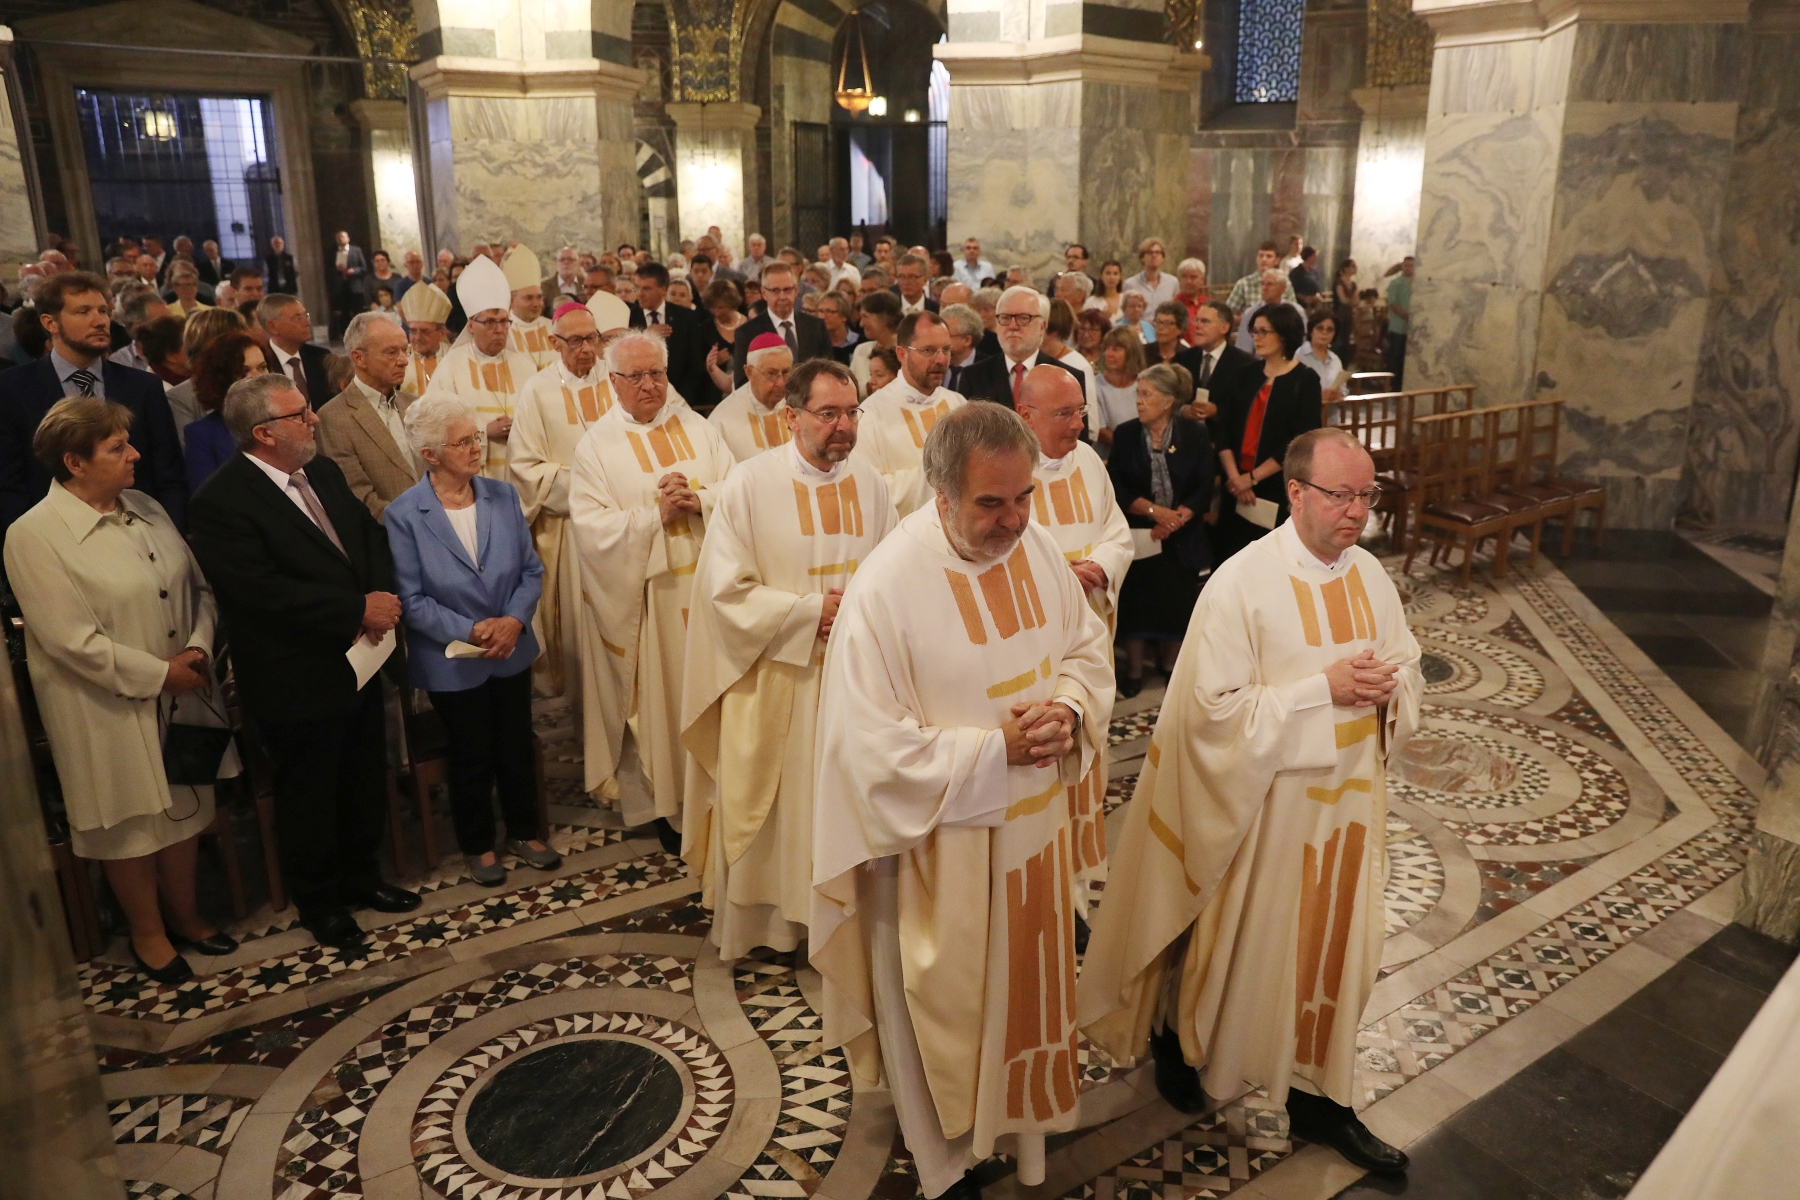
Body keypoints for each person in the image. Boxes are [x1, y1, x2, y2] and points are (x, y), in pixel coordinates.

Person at [1081, 425, 1420, 1176]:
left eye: (1367, 495)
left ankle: (1322, 1096)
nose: (1357, 511)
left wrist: (1394, 687)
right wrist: (1319, 692)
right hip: (1264, 816)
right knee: (1237, 948)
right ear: (1295, 493)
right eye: (1341, 495)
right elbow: (1210, 713)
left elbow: (1407, 662)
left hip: (1346, 816)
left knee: (1339, 959)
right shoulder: (1242, 583)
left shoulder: (1370, 577)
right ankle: (1185, 1042)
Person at [811, 401, 1114, 1200]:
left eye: (1024, 499)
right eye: (991, 504)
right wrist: (993, 751)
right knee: (944, 1015)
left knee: (1026, 997)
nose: (1013, 521)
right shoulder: (886, 589)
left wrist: (1072, 710)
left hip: (1032, 838)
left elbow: (1085, 644)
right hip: (939, 855)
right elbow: (865, 751)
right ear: (940, 494)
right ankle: (949, 1161)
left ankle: (1019, 1129)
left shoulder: (1037, 548)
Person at [5, 397, 240, 984]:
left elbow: (199, 591)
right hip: (102, 705)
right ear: (74, 462)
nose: (135, 454)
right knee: (129, 824)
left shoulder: (146, 506)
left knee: (185, 810)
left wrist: (198, 650)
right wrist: (160, 674)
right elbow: (69, 641)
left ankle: (185, 916)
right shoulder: (33, 534)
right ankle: (147, 932)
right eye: (117, 447)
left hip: (182, 689)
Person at [188, 373, 421, 950]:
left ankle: (363, 876)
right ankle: (320, 901)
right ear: (264, 433)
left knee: (363, 774)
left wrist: (381, 600)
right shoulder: (221, 501)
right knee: (310, 791)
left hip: (360, 659)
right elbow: (259, 593)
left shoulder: (322, 471)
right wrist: (354, 609)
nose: (314, 419)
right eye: (300, 415)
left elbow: (367, 541)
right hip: (295, 673)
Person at [680, 357, 897, 959]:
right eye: (828, 414)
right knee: (778, 811)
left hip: (855, 680)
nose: (844, 427)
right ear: (790, 419)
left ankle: (843, 928)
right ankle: (777, 930)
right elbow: (723, 592)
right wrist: (809, 612)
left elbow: (895, 574)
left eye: (851, 413)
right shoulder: (750, 485)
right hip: (777, 675)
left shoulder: (872, 484)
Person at [570, 330, 735, 844]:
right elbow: (591, 530)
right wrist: (653, 516)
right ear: (612, 381)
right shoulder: (596, 445)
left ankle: (722, 795)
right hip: (651, 601)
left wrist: (701, 500)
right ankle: (671, 803)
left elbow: (739, 491)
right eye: (635, 376)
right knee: (664, 703)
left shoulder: (699, 428)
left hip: (709, 593)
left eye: (657, 374)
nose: (649, 385)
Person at [388, 393, 559, 887]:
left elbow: (530, 569)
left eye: (475, 437)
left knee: (515, 743)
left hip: (511, 646)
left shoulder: (501, 495)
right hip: (452, 658)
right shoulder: (404, 514)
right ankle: (478, 843)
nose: (475, 448)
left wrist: (512, 621)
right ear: (430, 455)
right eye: (462, 442)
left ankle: (524, 831)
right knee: (470, 752)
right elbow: (410, 598)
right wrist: (470, 630)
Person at [0, 272, 188, 533]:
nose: (99, 321)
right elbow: (9, 485)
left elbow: (169, 476)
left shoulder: (143, 387)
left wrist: (169, 535)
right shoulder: (12, 389)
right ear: (50, 322)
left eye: (103, 311)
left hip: (140, 532)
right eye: (83, 312)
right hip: (53, 537)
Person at [510, 293, 628, 701]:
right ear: (553, 343)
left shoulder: (618, 382)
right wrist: (587, 485)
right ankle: (582, 717)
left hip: (621, 522)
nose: (585, 349)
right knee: (581, 625)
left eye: (591, 339)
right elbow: (524, 467)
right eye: (574, 341)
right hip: (569, 528)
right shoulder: (537, 391)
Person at [1108, 362, 1213, 696]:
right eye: (1137, 394)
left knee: (1176, 604)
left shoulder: (1194, 433)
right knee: (1137, 603)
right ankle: (1136, 670)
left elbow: (1203, 485)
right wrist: (1155, 513)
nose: (1138, 401)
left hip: (1182, 535)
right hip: (1141, 534)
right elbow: (1117, 488)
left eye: (1146, 395)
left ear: (1168, 401)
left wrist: (1175, 519)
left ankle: (1169, 665)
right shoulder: (1125, 434)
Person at [1217, 303, 1322, 561]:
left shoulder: (1305, 380)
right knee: (1229, 558)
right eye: (1255, 331)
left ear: (1284, 335)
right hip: (1234, 486)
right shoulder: (1245, 373)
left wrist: (1251, 478)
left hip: (1274, 487)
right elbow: (1223, 428)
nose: (1256, 337)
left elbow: (1298, 442)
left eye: (1264, 331)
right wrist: (1235, 478)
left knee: (1269, 560)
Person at [424, 255, 537, 484]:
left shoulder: (526, 366)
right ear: (471, 325)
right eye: (490, 322)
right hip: (473, 478)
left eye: (504, 321)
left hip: (523, 477)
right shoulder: (451, 367)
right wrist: (485, 432)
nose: (499, 329)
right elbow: (435, 428)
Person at [854, 311, 969, 517]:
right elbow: (871, 490)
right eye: (929, 350)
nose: (941, 360)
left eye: (946, 349)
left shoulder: (958, 404)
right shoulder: (870, 415)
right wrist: (949, 480)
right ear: (901, 354)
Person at [317, 312, 420, 521]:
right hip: (386, 537)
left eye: (404, 350)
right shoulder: (334, 418)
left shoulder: (414, 405)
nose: (404, 361)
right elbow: (357, 495)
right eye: (391, 352)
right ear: (358, 358)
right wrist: (416, 523)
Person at [955, 286, 1085, 410]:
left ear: (1042, 326)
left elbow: (1076, 430)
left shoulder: (1069, 378)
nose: (1012, 326)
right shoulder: (973, 376)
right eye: (1005, 317)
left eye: (1023, 318)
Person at [183, 330, 269, 492]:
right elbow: (207, 499)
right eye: (244, 371)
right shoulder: (202, 435)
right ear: (222, 378)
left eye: (262, 367)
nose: (257, 377)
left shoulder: (287, 419)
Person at [729, 262, 829, 387]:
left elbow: (828, 373)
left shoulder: (815, 326)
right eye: (775, 291)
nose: (782, 297)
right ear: (764, 293)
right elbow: (742, 382)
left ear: (796, 290)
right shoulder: (747, 333)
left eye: (787, 290)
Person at [163, 306, 247, 444]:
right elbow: (190, 450)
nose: (245, 349)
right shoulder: (180, 399)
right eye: (236, 344)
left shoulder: (252, 385)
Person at [627, 262, 706, 403]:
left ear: (663, 289)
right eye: (637, 287)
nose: (639, 294)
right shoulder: (627, 317)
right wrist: (644, 336)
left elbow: (695, 364)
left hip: (681, 400)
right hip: (639, 398)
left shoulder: (687, 317)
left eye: (646, 289)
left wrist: (681, 400)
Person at [710, 332, 793, 462]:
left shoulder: (800, 406)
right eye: (771, 373)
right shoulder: (722, 420)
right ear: (749, 372)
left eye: (786, 372)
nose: (781, 382)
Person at [258, 294, 335, 411]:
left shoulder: (320, 357)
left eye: (306, 316)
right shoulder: (261, 362)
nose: (307, 323)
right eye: (298, 318)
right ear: (273, 327)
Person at [398, 281, 454, 395]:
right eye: (413, 331)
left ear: (442, 333)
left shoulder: (455, 358)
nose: (417, 338)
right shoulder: (399, 360)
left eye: (424, 332)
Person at [698, 280, 746, 408]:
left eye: (721, 307)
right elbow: (695, 368)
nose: (716, 312)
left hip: (745, 397)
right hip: (714, 401)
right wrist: (714, 362)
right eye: (712, 308)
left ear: (732, 304)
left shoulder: (749, 326)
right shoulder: (704, 329)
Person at [1094, 326, 1145, 448]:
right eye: (1106, 348)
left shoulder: (1144, 383)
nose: (1109, 354)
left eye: (1116, 349)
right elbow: (1101, 432)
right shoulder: (1095, 385)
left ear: (1132, 352)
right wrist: (1135, 449)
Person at [850, 290, 902, 394]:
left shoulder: (907, 352)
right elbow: (849, 388)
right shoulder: (861, 351)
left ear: (884, 318)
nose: (861, 324)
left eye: (865, 317)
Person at [1227, 242, 1297, 317]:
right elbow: (1228, 313)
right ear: (1256, 259)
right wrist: (1247, 320)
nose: (1264, 259)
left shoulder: (1284, 283)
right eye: (1261, 256)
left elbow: (1294, 311)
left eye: (1269, 256)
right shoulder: (1244, 284)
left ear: (1277, 261)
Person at [1297, 311, 1346, 402]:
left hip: (1331, 413)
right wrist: (1317, 396)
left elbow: (1343, 389)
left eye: (1329, 329)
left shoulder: (1335, 360)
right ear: (1311, 331)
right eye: (1320, 328)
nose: (1324, 332)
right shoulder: (1298, 355)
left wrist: (1337, 394)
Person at [939, 303, 985, 394]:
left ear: (967, 340)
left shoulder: (988, 371)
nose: (939, 340)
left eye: (946, 335)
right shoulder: (932, 363)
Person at [330, 230, 369, 336]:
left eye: (342, 237)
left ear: (348, 238)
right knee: (344, 313)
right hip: (341, 287)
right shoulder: (333, 253)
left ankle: (362, 333)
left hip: (355, 286)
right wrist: (337, 270)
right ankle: (347, 335)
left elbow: (364, 268)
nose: (340, 239)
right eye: (338, 238)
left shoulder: (356, 251)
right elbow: (329, 270)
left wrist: (354, 270)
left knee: (358, 311)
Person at [1386, 255, 1415, 387]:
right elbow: (1393, 303)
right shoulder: (1396, 283)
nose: (1409, 268)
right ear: (1402, 267)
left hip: (1412, 327)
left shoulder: (1417, 283)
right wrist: (1406, 315)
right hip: (1398, 326)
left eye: (1411, 265)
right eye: (1406, 265)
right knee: (1396, 357)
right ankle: (1393, 385)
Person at [1124, 238, 1176, 306]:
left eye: (1157, 252)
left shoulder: (1172, 282)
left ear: (1162, 258)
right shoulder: (1130, 284)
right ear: (1142, 258)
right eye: (1150, 252)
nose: (1154, 256)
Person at [818, 292, 860, 364]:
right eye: (821, 311)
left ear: (844, 316)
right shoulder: (815, 343)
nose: (823, 316)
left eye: (829, 311)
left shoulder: (860, 342)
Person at [1148, 300, 1191, 366]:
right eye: (1158, 322)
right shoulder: (1143, 353)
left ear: (1180, 329)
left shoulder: (1188, 357)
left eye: (1167, 324)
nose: (1160, 328)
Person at [1331, 259, 1358, 361]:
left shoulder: (1353, 284)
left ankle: (1344, 361)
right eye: (1352, 266)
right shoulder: (1339, 282)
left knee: (1346, 338)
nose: (1355, 268)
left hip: (1349, 314)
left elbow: (1356, 299)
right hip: (1339, 313)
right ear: (1345, 268)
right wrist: (1351, 301)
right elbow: (1343, 300)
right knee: (1339, 339)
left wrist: (1351, 301)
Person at [1173, 259, 1208, 331]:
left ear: (1202, 280)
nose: (1188, 281)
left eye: (1193, 277)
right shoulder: (1174, 306)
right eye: (1184, 277)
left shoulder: (1208, 303)